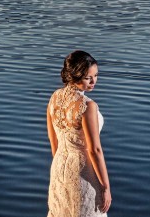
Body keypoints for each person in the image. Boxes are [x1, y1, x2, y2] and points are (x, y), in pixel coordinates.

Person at [46, 50, 112, 217]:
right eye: (88, 77)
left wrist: (61, 169)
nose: (93, 81)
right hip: (82, 173)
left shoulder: (55, 98)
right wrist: (106, 187)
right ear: (75, 75)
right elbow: (94, 150)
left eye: (96, 75)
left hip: (59, 167)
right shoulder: (88, 106)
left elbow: (54, 142)